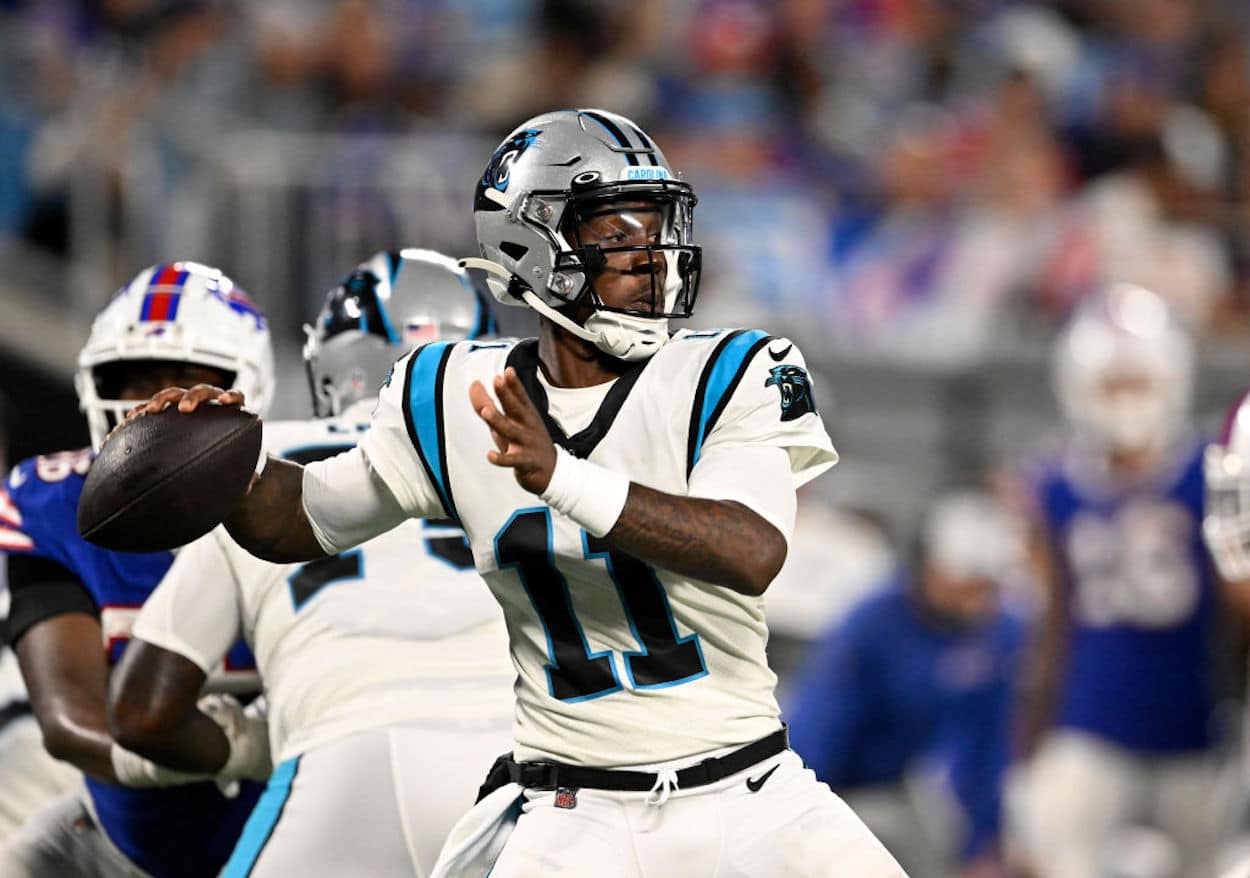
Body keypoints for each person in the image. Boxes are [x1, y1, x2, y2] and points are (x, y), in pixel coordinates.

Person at [127, 109, 905, 877]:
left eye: (659, 229)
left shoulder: (732, 371)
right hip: (573, 816)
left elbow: (750, 548)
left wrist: (563, 477)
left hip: (750, 792)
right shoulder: (447, 393)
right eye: (618, 235)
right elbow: (302, 521)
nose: (654, 259)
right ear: (530, 245)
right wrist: (223, 460)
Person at [107, 249, 517, 877]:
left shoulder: (259, 456)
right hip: (524, 775)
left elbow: (143, 712)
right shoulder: (533, 464)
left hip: (347, 762)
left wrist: (250, 745)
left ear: (333, 363)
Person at [0, 262, 275, 878]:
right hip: (123, 837)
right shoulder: (52, 505)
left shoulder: (309, 500)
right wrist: (244, 749)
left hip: (292, 829)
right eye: (135, 378)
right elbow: (70, 721)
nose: (159, 400)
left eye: (188, 377)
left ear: (247, 389)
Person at [1010, 282, 1233, 878]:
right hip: (1093, 719)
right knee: (1057, 835)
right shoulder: (1052, 485)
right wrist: (1028, 735)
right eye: (1112, 383)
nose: (1126, 399)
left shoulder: (1213, 473)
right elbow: (1051, 618)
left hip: (1197, 723)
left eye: (1138, 381)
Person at [787, 491, 1026, 878]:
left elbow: (988, 741)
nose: (975, 602)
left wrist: (983, 842)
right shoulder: (873, 623)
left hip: (904, 783)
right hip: (837, 786)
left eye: (986, 587)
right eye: (965, 584)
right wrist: (801, 819)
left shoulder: (999, 632)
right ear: (929, 567)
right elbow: (822, 726)